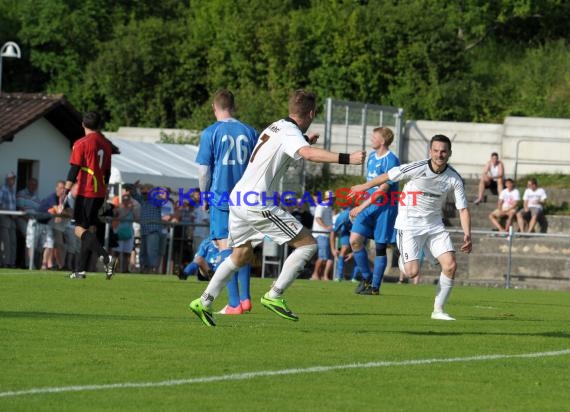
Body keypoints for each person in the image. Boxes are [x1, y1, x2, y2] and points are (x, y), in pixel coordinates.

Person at [189, 89, 365, 326]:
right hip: (256, 202)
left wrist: (304, 146)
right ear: (311, 114)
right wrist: (348, 158)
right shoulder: (291, 132)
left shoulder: (275, 127)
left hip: (237, 199)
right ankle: (275, 294)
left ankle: (204, 301)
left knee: (240, 254)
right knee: (308, 244)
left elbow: (278, 157)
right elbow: (309, 155)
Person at [351, 134, 472, 321]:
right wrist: (364, 186)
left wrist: (467, 234)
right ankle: (404, 260)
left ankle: (438, 310)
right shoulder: (417, 167)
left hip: (434, 226)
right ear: (430, 151)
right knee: (412, 272)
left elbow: (463, 209)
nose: (439, 155)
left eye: (443, 152)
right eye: (436, 151)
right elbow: (388, 176)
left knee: (450, 265)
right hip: (409, 225)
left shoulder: (454, 178)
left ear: (449, 154)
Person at [195, 89, 259, 315]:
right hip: (246, 197)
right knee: (243, 246)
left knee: (225, 247)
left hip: (222, 196)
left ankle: (234, 304)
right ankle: (246, 299)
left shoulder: (211, 132)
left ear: (215, 107)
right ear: (234, 106)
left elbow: (204, 170)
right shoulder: (251, 132)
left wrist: (204, 196)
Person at [63, 111, 117, 279]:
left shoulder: (81, 143)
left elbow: (74, 169)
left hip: (86, 191)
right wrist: (105, 189)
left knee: (79, 229)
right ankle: (80, 270)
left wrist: (65, 191)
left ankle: (106, 258)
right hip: (99, 192)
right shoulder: (106, 145)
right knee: (88, 229)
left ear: (83, 124)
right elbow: (107, 172)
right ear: (99, 125)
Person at [349, 127, 400, 296]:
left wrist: (360, 207)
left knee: (380, 247)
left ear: (383, 141)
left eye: (374, 137)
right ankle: (366, 278)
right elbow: (369, 185)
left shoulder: (392, 161)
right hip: (367, 205)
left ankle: (375, 287)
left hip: (385, 208)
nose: (371, 139)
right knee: (354, 240)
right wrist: (358, 203)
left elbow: (382, 190)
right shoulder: (371, 157)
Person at [16, 177, 41, 268]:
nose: (33, 186)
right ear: (28, 184)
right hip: (22, 219)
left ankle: (35, 263)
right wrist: (29, 220)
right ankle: (29, 264)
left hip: (33, 222)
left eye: (35, 185)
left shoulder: (37, 198)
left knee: (39, 238)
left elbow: (39, 211)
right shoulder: (21, 193)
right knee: (30, 238)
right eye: (31, 184)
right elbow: (20, 209)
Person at [310, 191, 334, 281]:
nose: (333, 200)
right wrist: (326, 227)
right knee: (323, 257)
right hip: (321, 234)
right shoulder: (321, 206)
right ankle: (315, 275)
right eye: (332, 198)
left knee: (325, 257)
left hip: (326, 234)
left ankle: (319, 275)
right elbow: (318, 219)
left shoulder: (329, 207)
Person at [112, 193, 139, 272]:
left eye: (127, 200)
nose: (126, 201)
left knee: (127, 253)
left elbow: (137, 218)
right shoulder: (118, 209)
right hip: (119, 233)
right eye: (124, 199)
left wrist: (134, 208)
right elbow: (116, 216)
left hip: (129, 234)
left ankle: (125, 269)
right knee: (116, 253)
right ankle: (113, 269)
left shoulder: (132, 210)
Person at [330, 206, 354, 281]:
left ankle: (355, 278)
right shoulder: (342, 217)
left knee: (358, 251)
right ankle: (339, 276)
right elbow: (333, 232)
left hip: (358, 233)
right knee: (345, 249)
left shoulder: (363, 218)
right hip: (346, 231)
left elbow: (364, 239)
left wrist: (353, 253)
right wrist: (333, 249)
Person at [0, 171, 18, 268]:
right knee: (5, 241)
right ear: (7, 179)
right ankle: (5, 262)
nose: (13, 180)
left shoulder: (12, 190)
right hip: (5, 217)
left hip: (13, 218)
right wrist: (10, 213)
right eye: (11, 178)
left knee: (13, 241)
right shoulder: (3, 189)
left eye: (14, 178)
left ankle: (12, 262)